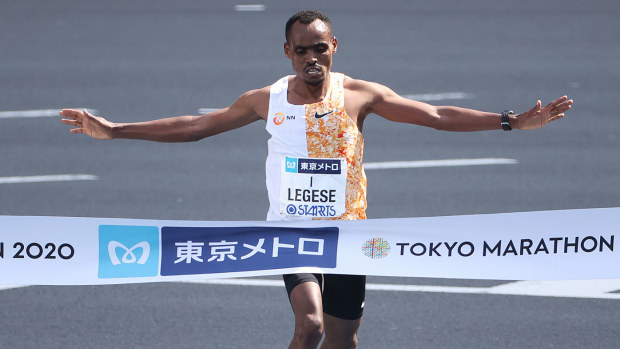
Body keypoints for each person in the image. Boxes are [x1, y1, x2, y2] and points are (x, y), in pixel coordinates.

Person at [60, 10, 573, 349]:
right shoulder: (266, 99)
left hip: (349, 235)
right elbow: (196, 127)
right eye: (302, 49)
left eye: (320, 48)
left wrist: (510, 120)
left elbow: (436, 114)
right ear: (287, 52)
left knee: (344, 339)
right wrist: (116, 130)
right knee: (310, 325)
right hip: (291, 231)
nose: (312, 57)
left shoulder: (359, 95)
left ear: (334, 47)